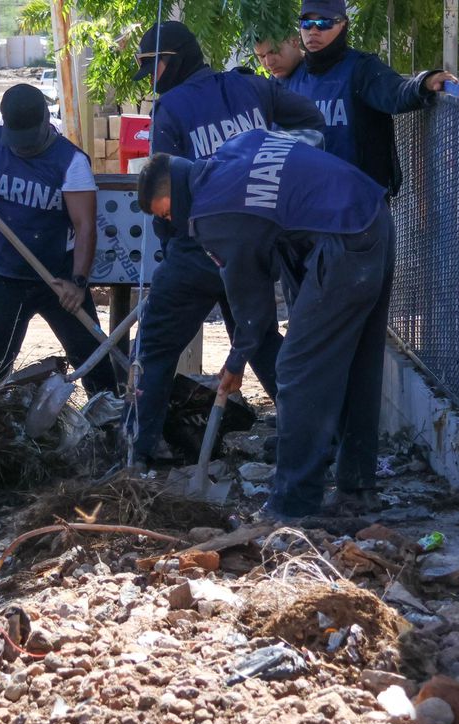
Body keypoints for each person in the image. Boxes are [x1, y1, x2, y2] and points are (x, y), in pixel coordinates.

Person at [136, 130, 391, 520]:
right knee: (358, 362)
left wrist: (237, 362)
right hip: (371, 214)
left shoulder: (212, 215)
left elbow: (252, 308)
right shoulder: (235, 148)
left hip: (342, 243)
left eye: (166, 213)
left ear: (175, 192)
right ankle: (358, 488)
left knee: (296, 369)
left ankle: (294, 504)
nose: (170, 223)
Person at [128, 20, 323, 465]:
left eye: (153, 67)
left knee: (155, 345)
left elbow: (164, 186)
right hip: (256, 241)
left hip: (200, 245)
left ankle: (137, 453)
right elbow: (311, 121)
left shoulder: (170, 107)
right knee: (256, 338)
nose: (152, 79)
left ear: (172, 61)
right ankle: (309, 440)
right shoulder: (252, 89)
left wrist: (171, 246)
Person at [284, 0, 455, 506]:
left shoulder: (360, 70)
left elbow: (394, 91)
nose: (313, 34)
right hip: (303, 233)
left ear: (342, 26)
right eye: (306, 25)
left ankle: (354, 479)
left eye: (323, 24)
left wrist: (423, 84)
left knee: (356, 355)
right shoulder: (291, 85)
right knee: (314, 353)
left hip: (357, 230)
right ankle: (326, 462)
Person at [0, 84, 119, 397]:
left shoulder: (70, 162)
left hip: (57, 279)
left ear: (45, 123)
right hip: (4, 275)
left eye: (29, 139)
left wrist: (78, 283)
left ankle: (110, 421)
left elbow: (85, 226)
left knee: (93, 358)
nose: (22, 147)